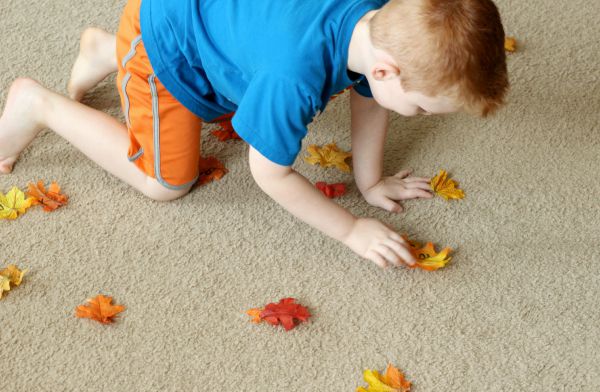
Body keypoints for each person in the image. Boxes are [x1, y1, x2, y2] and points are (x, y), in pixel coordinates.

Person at [0, 0, 508, 268]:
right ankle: (39, 105)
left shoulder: (378, 21)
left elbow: (368, 95)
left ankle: (101, 50)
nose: (417, 115)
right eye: (420, 107)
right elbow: (270, 174)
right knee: (165, 182)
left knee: (238, 87)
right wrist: (351, 229)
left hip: (216, 21)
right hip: (167, 45)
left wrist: (370, 182)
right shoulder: (292, 79)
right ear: (386, 71)